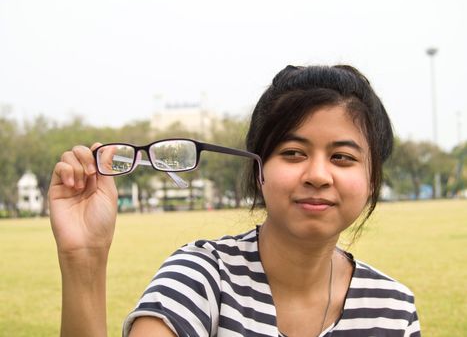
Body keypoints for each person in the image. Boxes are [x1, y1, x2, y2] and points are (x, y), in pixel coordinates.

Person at [49, 64, 421, 337]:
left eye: (342, 157)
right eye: (292, 153)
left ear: (371, 180)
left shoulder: (392, 310)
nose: (318, 175)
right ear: (259, 170)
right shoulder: (202, 278)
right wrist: (85, 260)